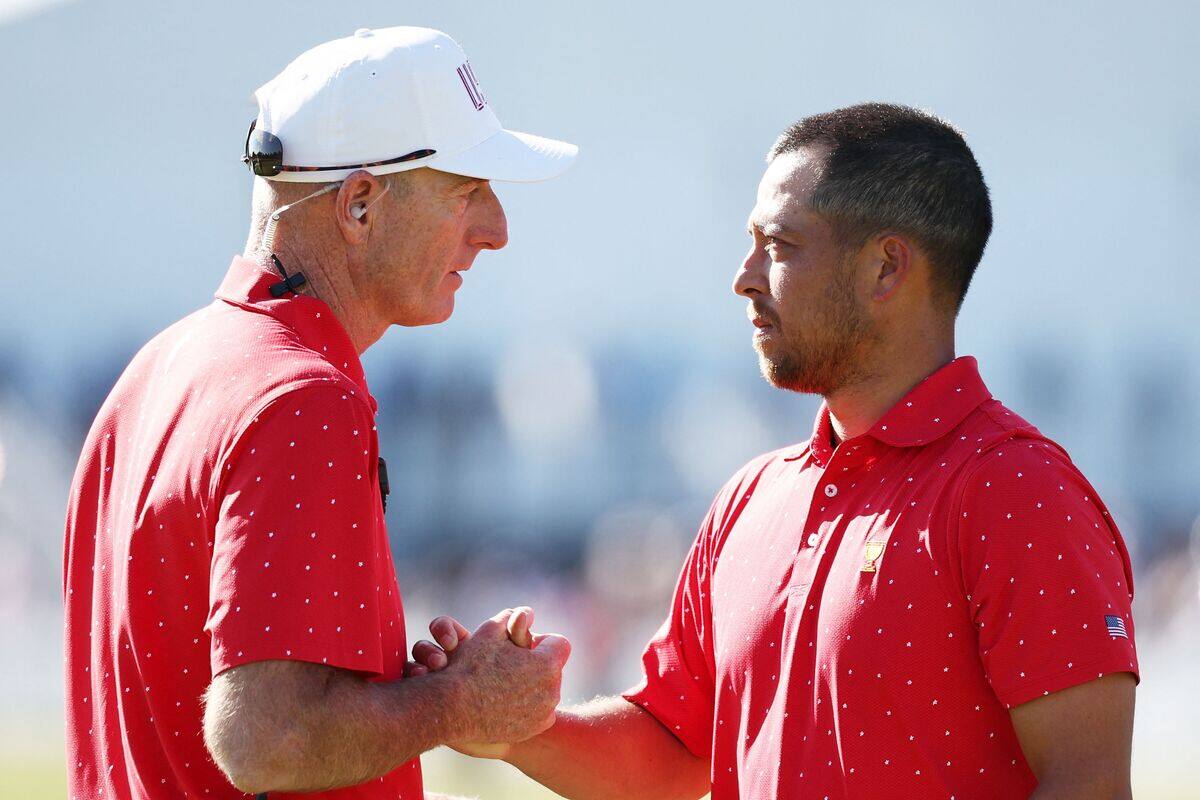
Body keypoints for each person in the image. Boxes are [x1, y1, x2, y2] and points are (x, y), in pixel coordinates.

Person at [417, 103, 1140, 799]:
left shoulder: (1018, 489)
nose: (745, 277)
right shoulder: (753, 496)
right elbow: (671, 756)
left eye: (780, 246)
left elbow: (1090, 786)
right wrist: (510, 726)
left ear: (887, 268)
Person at [62, 26, 576, 799]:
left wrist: (410, 696)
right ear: (359, 205)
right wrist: (459, 702)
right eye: (466, 191)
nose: (496, 231)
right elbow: (267, 740)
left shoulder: (156, 370)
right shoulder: (304, 398)